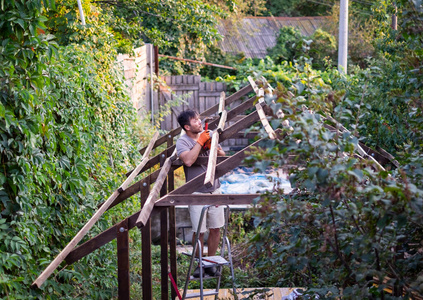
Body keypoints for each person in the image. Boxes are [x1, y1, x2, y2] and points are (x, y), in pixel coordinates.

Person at [176, 109, 225, 277]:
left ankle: (210, 263)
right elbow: (188, 160)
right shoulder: (182, 142)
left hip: (215, 189)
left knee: (216, 229)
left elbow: (223, 155)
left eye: (198, 119)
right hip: (196, 192)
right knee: (199, 232)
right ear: (187, 127)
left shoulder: (209, 134)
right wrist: (200, 142)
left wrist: (213, 148)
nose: (199, 122)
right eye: (195, 121)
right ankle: (199, 265)